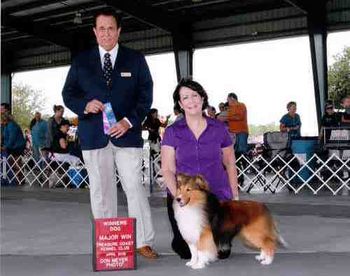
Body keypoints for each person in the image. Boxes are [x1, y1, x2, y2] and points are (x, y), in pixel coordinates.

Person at [62, 8, 157, 259]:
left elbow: (145, 96)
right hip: (94, 135)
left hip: (127, 135)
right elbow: (68, 94)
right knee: (100, 190)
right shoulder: (81, 61)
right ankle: (108, 242)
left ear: (119, 31)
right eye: (101, 28)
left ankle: (142, 241)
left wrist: (128, 121)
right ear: (94, 32)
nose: (106, 33)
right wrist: (84, 105)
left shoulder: (135, 59)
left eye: (110, 28)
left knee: (134, 186)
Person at [161, 79, 239, 259]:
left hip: (216, 194)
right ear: (180, 104)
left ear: (203, 98)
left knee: (221, 253)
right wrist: (179, 199)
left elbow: (229, 163)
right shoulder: (172, 132)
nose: (192, 101)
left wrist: (234, 196)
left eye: (195, 95)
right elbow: (167, 169)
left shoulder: (219, 128)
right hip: (184, 196)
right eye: (185, 97)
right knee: (185, 252)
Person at [1, 113, 26, 184]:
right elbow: (6, 138)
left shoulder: (12, 125)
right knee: (12, 163)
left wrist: (6, 147)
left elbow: (12, 139)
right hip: (13, 146)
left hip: (17, 147)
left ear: (4, 119)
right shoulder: (7, 125)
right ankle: (17, 179)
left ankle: (20, 179)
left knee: (16, 163)